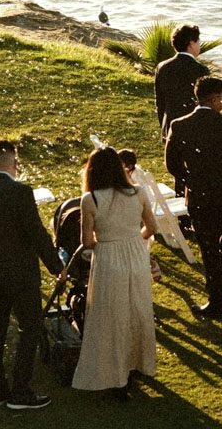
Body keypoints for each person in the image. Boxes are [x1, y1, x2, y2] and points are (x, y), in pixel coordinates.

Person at [0, 140, 64, 411]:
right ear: (15, 165)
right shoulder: (22, 192)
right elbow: (37, 233)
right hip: (21, 273)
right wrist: (56, 266)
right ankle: (20, 391)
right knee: (29, 328)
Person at [72, 147, 158, 399]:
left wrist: (108, 240)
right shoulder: (138, 193)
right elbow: (151, 227)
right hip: (135, 254)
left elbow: (87, 241)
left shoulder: (91, 199)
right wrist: (133, 238)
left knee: (111, 315)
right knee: (137, 309)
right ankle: (138, 363)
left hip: (108, 256)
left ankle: (116, 375)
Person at [165, 76, 222, 319]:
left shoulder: (179, 125)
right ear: (216, 99)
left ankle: (216, 299)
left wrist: (190, 178)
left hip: (198, 195)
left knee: (208, 249)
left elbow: (172, 164)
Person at [156, 24, 210, 216]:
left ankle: (183, 214)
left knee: (178, 170)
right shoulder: (200, 70)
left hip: (170, 124)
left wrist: (164, 127)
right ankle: (193, 212)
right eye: (198, 41)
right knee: (195, 171)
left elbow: (160, 103)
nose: (199, 45)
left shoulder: (163, 67)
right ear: (191, 43)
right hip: (194, 127)